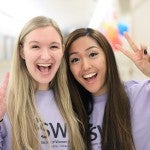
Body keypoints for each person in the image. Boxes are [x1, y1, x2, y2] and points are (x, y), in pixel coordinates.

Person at [0, 16, 89, 150]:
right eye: (35, 46)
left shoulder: (74, 99)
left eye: (53, 46)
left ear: (62, 50)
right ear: (22, 51)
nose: (46, 56)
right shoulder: (4, 104)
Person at [64, 28, 150, 150]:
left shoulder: (140, 94)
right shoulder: (69, 111)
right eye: (75, 59)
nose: (86, 66)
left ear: (107, 56)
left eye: (92, 54)